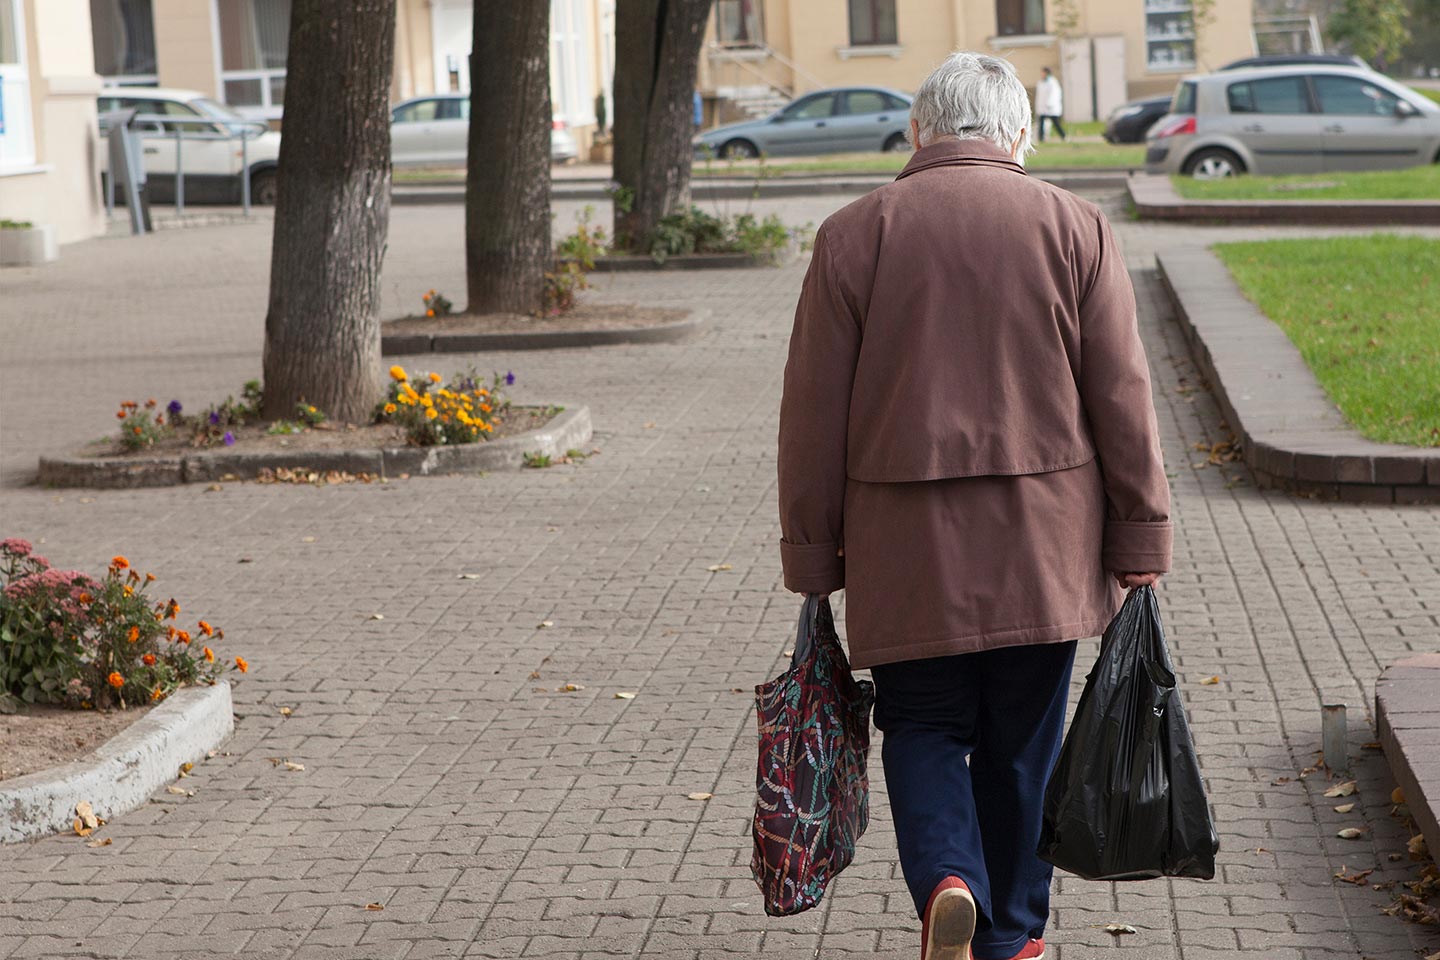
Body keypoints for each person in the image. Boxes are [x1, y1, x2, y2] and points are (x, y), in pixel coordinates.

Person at [776, 52, 1171, 960]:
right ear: (1019, 136)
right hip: (1044, 544)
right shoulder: (1077, 227)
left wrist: (814, 557)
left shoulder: (852, 235)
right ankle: (1011, 940)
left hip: (904, 550)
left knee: (921, 725)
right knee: (1023, 745)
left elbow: (811, 415)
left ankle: (948, 880)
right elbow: (1123, 396)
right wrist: (1139, 531)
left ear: (919, 132)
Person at [1035, 66, 1065, 142]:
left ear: (1047, 73)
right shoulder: (1040, 82)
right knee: (1041, 123)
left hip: (1051, 107)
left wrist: (1049, 104)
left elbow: (1054, 95)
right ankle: (1041, 138)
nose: (1042, 74)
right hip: (1042, 107)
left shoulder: (1053, 82)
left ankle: (1063, 136)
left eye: (1043, 72)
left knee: (1056, 123)